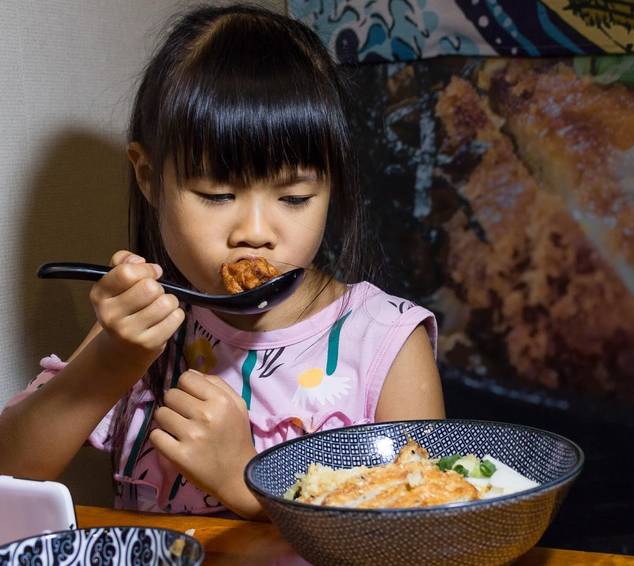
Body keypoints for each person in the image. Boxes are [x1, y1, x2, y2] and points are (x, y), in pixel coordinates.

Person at [0, 3, 444, 519]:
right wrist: (111, 361)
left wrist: (249, 484)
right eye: (216, 193)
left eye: (294, 197)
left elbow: (422, 531)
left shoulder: (384, 343)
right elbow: (10, 472)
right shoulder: (143, 327)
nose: (254, 233)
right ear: (148, 177)